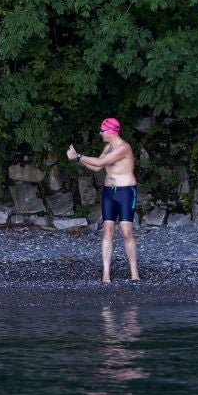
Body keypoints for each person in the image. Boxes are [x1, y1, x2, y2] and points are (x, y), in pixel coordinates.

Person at [67, 118, 140, 283]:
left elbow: (100, 162)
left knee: (126, 232)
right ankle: (106, 274)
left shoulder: (124, 148)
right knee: (107, 231)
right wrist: (78, 159)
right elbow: (97, 167)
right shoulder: (108, 147)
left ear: (111, 131)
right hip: (109, 192)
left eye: (102, 130)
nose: (100, 133)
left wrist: (78, 156)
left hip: (126, 192)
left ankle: (134, 273)